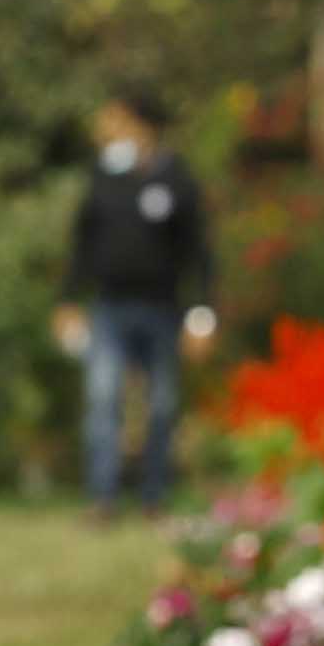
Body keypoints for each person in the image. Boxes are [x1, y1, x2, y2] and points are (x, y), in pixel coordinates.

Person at [53, 86, 217, 516]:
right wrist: (67, 300)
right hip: (109, 308)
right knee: (104, 397)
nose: (105, 130)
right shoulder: (103, 178)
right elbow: (83, 245)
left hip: (163, 310)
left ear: (141, 125)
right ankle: (102, 497)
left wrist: (203, 315)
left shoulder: (177, 179)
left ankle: (154, 496)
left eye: (115, 120)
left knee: (161, 405)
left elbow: (199, 253)